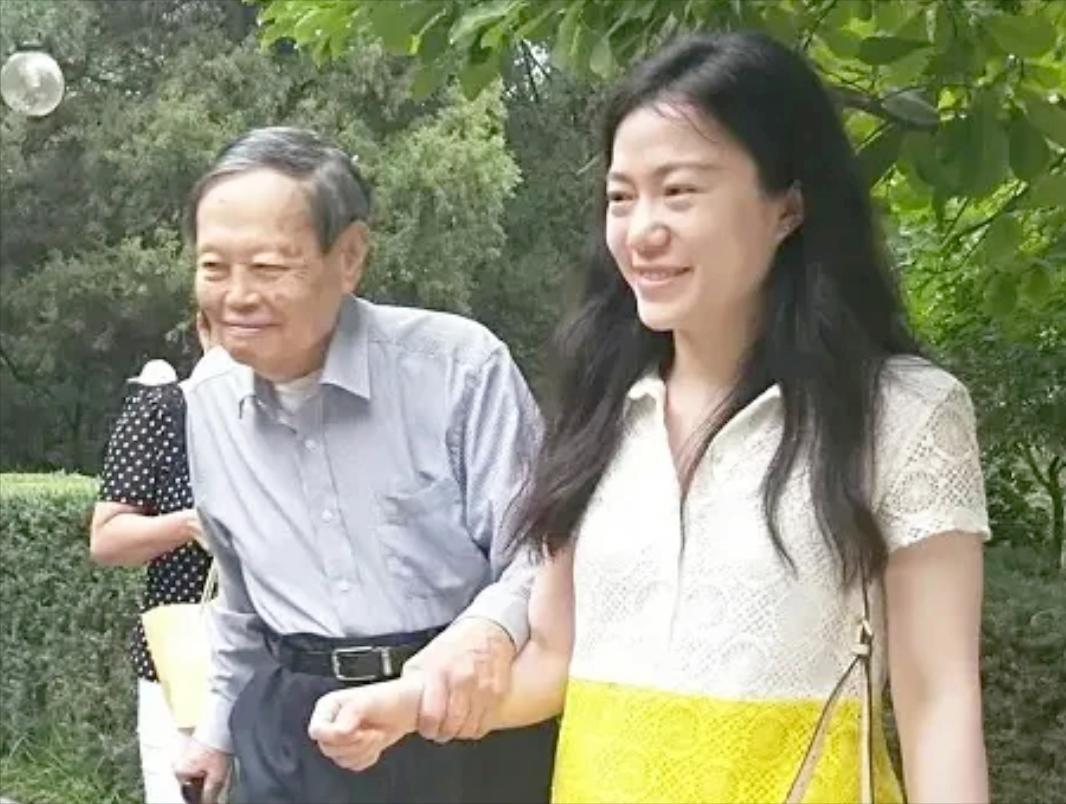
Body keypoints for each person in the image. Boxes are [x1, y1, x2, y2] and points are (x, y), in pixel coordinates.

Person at [306, 32, 991, 804]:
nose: (641, 231)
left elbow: (939, 701)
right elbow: (555, 663)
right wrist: (407, 704)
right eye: (621, 196)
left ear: (788, 207)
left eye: (680, 191)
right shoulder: (600, 408)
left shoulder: (901, 414)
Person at [173, 126, 555, 804]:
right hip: (294, 732)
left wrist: (488, 634)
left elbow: (538, 553)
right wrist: (216, 733)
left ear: (349, 256)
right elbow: (241, 597)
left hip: (453, 714)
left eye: (268, 268)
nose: (237, 296)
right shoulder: (208, 401)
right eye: (214, 268)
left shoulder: (458, 369)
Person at [90, 317, 220, 803]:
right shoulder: (164, 411)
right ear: (204, 329)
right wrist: (190, 524)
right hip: (185, 662)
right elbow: (107, 539)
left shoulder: (295, 414)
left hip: (284, 665)